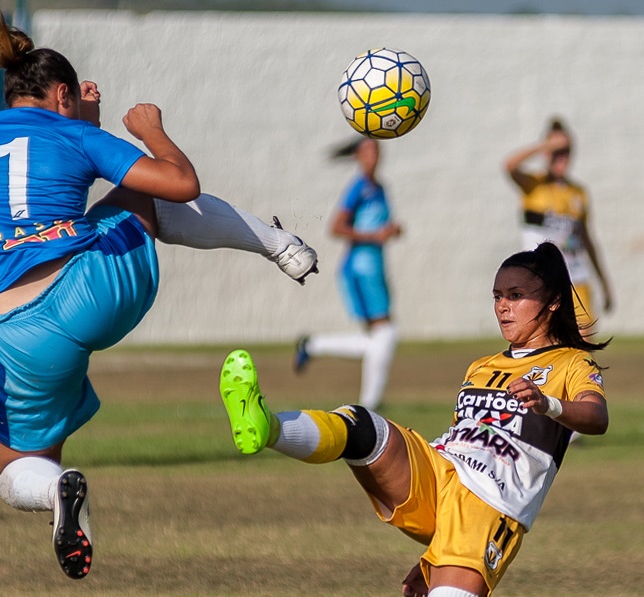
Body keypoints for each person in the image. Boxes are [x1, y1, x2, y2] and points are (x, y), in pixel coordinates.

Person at [0, 12, 317, 580]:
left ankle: (55, 494)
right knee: (140, 194)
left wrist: (84, 125)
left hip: (12, 333)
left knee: (13, 471)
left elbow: (36, 174)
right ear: (62, 93)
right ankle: (278, 244)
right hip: (89, 294)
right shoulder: (76, 131)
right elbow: (180, 184)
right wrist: (146, 130)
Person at [219, 242, 609, 597]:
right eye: (497, 296)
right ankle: (268, 425)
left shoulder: (572, 362)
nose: (503, 306)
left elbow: (596, 416)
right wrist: (434, 551)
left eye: (516, 296)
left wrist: (549, 404)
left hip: (491, 505)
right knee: (360, 426)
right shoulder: (481, 366)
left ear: (554, 302)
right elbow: (466, 437)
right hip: (440, 470)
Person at [293, 137, 402, 410]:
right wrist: (375, 235)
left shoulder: (379, 188)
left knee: (376, 339)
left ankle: (312, 346)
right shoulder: (358, 188)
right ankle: (369, 404)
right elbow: (336, 226)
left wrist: (391, 230)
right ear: (357, 156)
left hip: (374, 266)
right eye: (367, 151)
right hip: (360, 268)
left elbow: (378, 226)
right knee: (385, 333)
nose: (373, 155)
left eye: (376, 149)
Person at [504, 118, 613, 332]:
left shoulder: (578, 193)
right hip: (541, 281)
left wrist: (604, 283)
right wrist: (548, 144)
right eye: (556, 151)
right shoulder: (533, 185)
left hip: (575, 279)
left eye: (566, 151)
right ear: (546, 153)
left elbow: (587, 241)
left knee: (583, 348)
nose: (561, 156)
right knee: (542, 345)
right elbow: (509, 165)